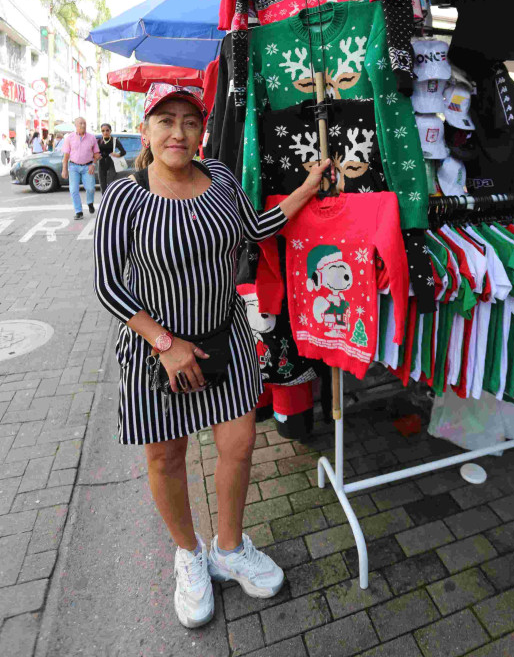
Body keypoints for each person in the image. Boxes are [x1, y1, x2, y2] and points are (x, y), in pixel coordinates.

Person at [94, 82, 330, 630]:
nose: (178, 132)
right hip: (155, 352)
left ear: (202, 129)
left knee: (240, 445)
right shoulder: (123, 197)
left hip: (225, 338)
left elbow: (257, 227)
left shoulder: (221, 176)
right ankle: (188, 553)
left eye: (190, 121)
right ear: (146, 131)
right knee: (165, 457)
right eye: (165, 121)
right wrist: (166, 344)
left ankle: (229, 547)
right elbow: (108, 286)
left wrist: (307, 188)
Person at [61, 118, 100, 220]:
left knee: (90, 188)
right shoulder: (69, 138)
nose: (83, 125)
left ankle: (90, 202)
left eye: (84, 123)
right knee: (73, 190)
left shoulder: (91, 137)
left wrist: (93, 164)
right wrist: (64, 169)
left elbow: (96, 154)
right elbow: (66, 156)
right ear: (76, 125)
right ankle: (79, 212)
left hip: (88, 167)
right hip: (73, 167)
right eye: (81, 123)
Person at [97, 123, 126, 193]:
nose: (105, 132)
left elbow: (123, 152)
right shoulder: (99, 141)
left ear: (110, 131)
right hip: (101, 163)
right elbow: (94, 152)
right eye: (103, 131)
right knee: (102, 184)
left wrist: (117, 155)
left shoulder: (114, 140)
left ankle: (111, 197)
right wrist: (97, 155)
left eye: (107, 130)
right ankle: (104, 198)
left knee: (111, 183)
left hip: (111, 163)